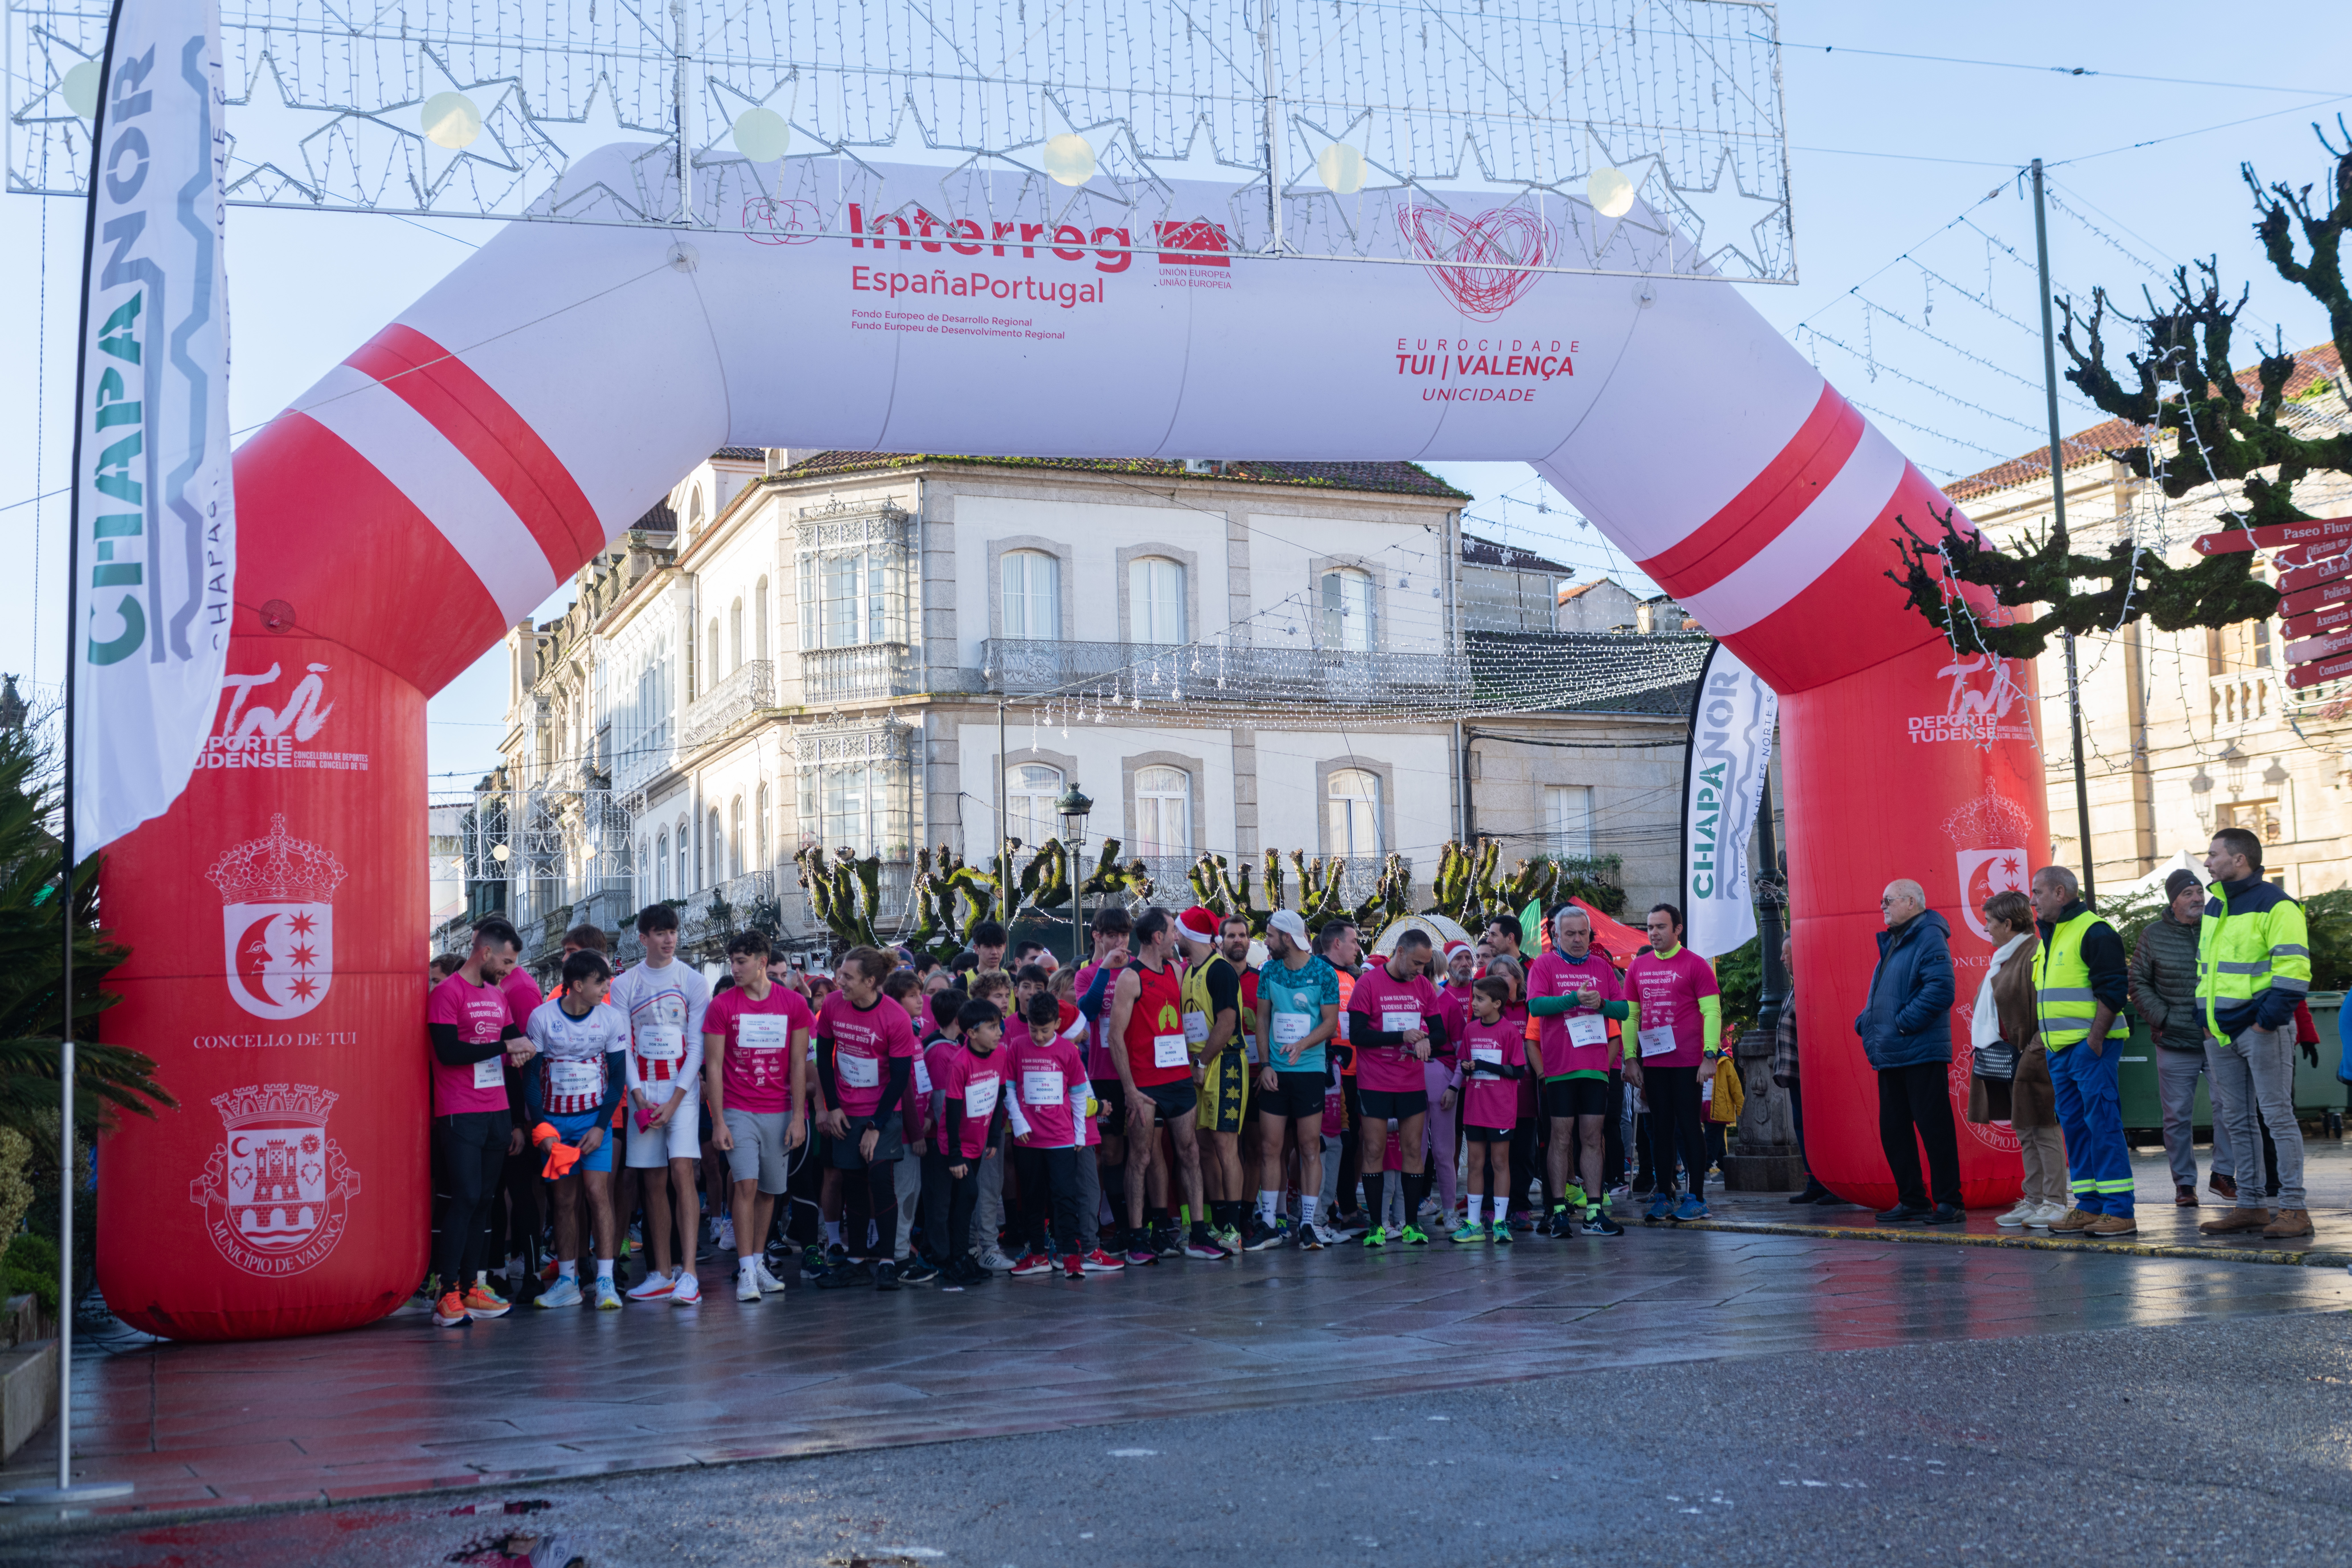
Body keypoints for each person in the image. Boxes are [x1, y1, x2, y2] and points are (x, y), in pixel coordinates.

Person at [2195, 828, 2315, 1239]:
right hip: (2222, 1033)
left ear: (2239, 860)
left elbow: (2294, 970)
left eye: (2213, 855)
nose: (2208, 862)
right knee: (2238, 1121)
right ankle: (2250, 1206)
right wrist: (2208, 1025)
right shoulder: (2215, 907)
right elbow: (2207, 973)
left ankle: (2295, 1209)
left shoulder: (2278, 905)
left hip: (2260, 1029)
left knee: (2277, 1117)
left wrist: (2266, 1021)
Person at [425, 919, 531, 1325]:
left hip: (497, 1108)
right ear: (485, 952)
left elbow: (510, 1040)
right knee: (466, 1197)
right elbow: (449, 1052)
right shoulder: (447, 993)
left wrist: (520, 1050)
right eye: (505, 961)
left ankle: (472, 1288)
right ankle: (446, 1292)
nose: (508, 970)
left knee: (486, 1201)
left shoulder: (498, 995)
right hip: (459, 1109)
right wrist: (507, 1045)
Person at [1106, 908, 1226, 1262]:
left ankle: (1200, 1235)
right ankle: (1138, 1238)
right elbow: (1115, 1037)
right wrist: (1129, 1089)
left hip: (1179, 1079)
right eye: (1173, 930)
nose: (1177, 936)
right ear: (1158, 937)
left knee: (1190, 1153)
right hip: (1145, 1085)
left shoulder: (1177, 970)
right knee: (1140, 1157)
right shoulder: (1131, 977)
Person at [702, 929, 812, 1303]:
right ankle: (746, 1269)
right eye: (732, 961)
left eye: (741, 962)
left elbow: (799, 1062)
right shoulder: (722, 1006)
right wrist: (718, 1120)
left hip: (780, 1110)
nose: (734, 969)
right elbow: (713, 1067)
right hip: (737, 1108)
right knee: (746, 1185)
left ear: (763, 963)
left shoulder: (793, 1004)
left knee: (770, 1191)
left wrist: (799, 1116)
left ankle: (759, 1260)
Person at [611, 903, 711, 1303]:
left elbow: (698, 1044)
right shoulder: (625, 984)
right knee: (651, 1180)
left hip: (681, 1094)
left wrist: (675, 1100)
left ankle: (689, 1273)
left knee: (682, 1173)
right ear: (644, 938)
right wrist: (638, 1096)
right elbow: (624, 1045)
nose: (669, 940)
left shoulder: (693, 980)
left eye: (672, 932)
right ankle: (661, 1273)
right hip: (643, 1094)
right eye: (660, 933)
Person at [2031, 865, 2136, 1237]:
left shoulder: (2094, 930)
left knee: (2102, 1124)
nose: (2033, 901)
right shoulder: (2050, 936)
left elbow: (2113, 990)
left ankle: (2120, 1211)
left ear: (2061, 893)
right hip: (2062, 1051)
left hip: (2091, 1047)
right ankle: (2090, 1206)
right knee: (2075, 1128)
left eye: (2038, 893)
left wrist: (2094, 1042)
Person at [523, 948, 629, 1309]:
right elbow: (532, 1081)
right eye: (601, 982)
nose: (607, 987)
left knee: (598, 1194)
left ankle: (605, 1279)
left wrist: (602, 1127)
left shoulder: (612, 1019)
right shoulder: (541, 1017)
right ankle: (568, 1281)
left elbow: (617, 1080)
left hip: (593, 1122)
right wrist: (542, 1128)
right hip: (555, 1124)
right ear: (578, 985)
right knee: (564, 1200)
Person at [813, 946, 922, 1290]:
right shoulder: (832, 1005)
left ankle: (888, 1261)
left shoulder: (895, 1017)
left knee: (880, 1180)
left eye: (847, 977)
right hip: (846, 1108)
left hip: (882, 1109)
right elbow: (823, 1057)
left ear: (871, 981)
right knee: (853, 1183)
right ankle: (857, 1260)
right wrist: (832, 1106)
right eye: (840, 973)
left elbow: (901, 1077)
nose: (839, 981)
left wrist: (876, 1125)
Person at [1856, 879, 1961, 1225]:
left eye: (1888, 900)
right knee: (1895, 1129)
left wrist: (1900, 1024)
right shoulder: (1897, 939)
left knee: (1935, 1129)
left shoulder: (1928, 935)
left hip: (1919, 1050)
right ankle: (1912, 1200)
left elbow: (1941, 989)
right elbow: (1889, 992)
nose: (1882, 906)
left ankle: (1950, 1202)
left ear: (1913, 901)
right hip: (1892, 1051)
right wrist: (1868, 1021)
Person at [1525, 906, 1632, 1237]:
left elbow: (1624, 1010)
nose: (1576, 939)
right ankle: (1558, 1210)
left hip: (1596, 1067)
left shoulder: (1602, 966)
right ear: (1556, 935)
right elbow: (1536, 1006)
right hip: (1559, 1068)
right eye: (1568, 933)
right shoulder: (1544, 965)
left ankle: (1595, 1211)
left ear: (1589, 935)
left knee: (1592, 1138)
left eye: (1582, 933)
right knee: (1559, 1138)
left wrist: (1599, 1003)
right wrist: (1574, 998)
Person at [2130, 868, 2232, 1207]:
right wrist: (2165, 1017)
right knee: (2177, 1115)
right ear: (2173, 901)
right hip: (2174, 1040)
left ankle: (2223, 1174)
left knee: (2228, 1106)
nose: (2198, 898)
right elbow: (2138, 983)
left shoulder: (2217, 928)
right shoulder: (2153, 935)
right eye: (2189, 894)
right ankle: (2185, 1184)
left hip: (2217, 1037)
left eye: (2200, 892)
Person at [1346, 927, 1448, 1247]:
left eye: (1426, 964)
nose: (1422, 971)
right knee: (1374, 1149)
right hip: (1376, 1081)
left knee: (1413, 1150)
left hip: (1411, 1081)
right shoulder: (1368, 983)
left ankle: (1411, 1224)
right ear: (1400, 953)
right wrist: (1401, 1036)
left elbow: (1440, 1034)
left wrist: (1426, 1043)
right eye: (1417, 963)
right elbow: (1358, 1036)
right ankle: (1377, 1224)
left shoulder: (1423, 987)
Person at [1623, 903, 1721, 1224]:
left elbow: (1712, 1012)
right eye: (1650, 927)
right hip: (1654, 1063)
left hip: (1688, 1063)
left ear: (1678, 929)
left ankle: (1697, 1199)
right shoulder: (1638, 966)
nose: (1654, 933)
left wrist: (1710, 1055)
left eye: (1661, 927)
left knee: (1690, 1126)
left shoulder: (1695, 965)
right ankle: (1664, 1195)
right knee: (1661, 1130)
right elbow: (1631, 1016)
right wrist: (1630, 1058)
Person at [1971, 890, 2063, 1229]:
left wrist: (2033, 1052)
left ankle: (2054, 1201)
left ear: (2008, 924)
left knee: (2043, 1127)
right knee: (2026, 1129)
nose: (1987, 929)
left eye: (1990, 923)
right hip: (2011, 1056)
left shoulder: (2032, 952)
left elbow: (2042, 1010)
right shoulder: (2007, 955)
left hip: (2032, 1054)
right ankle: (2036, 1199)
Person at [1252, 908, 1342, 1249]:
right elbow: (1262, 1019)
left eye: (1271, 936)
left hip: (1309, 1070)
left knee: (1309, 1146)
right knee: (1270, 1147)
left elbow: (1330, 1023)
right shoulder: (1269, 970)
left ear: (1287, 938)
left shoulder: (1324, 972)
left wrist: (1302, 1045)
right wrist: (1266, 1065)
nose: (1266, 941)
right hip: (1276, 1071)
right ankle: (1270, 1223)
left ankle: (1308, 1223)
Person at [1174, 906, 1250, 1251]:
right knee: (1205, 1147)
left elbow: (1227, 1023)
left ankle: (1234, 1227)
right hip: (1200, 1064)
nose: (1174, 938)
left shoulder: (1219, 971)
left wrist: (1203, 1062)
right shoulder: (1191, 970)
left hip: (1224, 1064)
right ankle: (1219, 1223)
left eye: (1177, 932)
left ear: (1190, 935)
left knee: (1225, 1147)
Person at [1007, 990, 1092, 1278]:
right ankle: (1037, 1254)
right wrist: (1018, 1121)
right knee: (1031, 1197)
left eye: (1045, 1030)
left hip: (1061, 1137)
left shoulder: (1069, 1051)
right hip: (1028, 1138)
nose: (1040, 1036)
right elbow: (1008, 1087)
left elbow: (1079, 1094)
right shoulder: (1017, 1046)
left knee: (1065, 1197)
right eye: (1034, 1029)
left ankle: (1070, 1254)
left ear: (1057, 1023)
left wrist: (1080, 1132)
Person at [930, 997, 1008, 1287]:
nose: (999, 1031)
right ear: (971, 1033)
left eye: (998, 1025)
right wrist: (954, 1155)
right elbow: (950, 1111)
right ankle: (956, 1259)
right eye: (991, 1027)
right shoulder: (960, 1062)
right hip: (956, 1146)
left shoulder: (1000, 1053)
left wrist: (994, 1136)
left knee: (965, 1201)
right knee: (964, 1199)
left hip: (979, 1141)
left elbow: (998, 1095)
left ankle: (962, 1257)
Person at [1452, 975, 1528, 1244]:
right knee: (1474, 1163)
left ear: (1497, 1003)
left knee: (1499, 1163)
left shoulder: (1509, 1031)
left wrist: (1485, 1064)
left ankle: (1499, 1222)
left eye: (1480, 999)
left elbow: (1518, 1069)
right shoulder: (1470, 1030)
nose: (1474, 1003)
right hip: (1475, 1106)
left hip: (1501, 1108)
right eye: (1473, 997)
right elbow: (1463, 1064)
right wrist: (1468, 1067)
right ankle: (1473, 1223)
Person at [1773, 937, 1835, 1205]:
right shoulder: (1797, 987)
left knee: (1820, 1130)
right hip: (1799, 1074)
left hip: (1814, 1073)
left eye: (1786, 953)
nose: (1781, 959)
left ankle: (1831, 1184)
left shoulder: (1813, 986)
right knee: (1803, 1128)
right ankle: (1816, 1182)